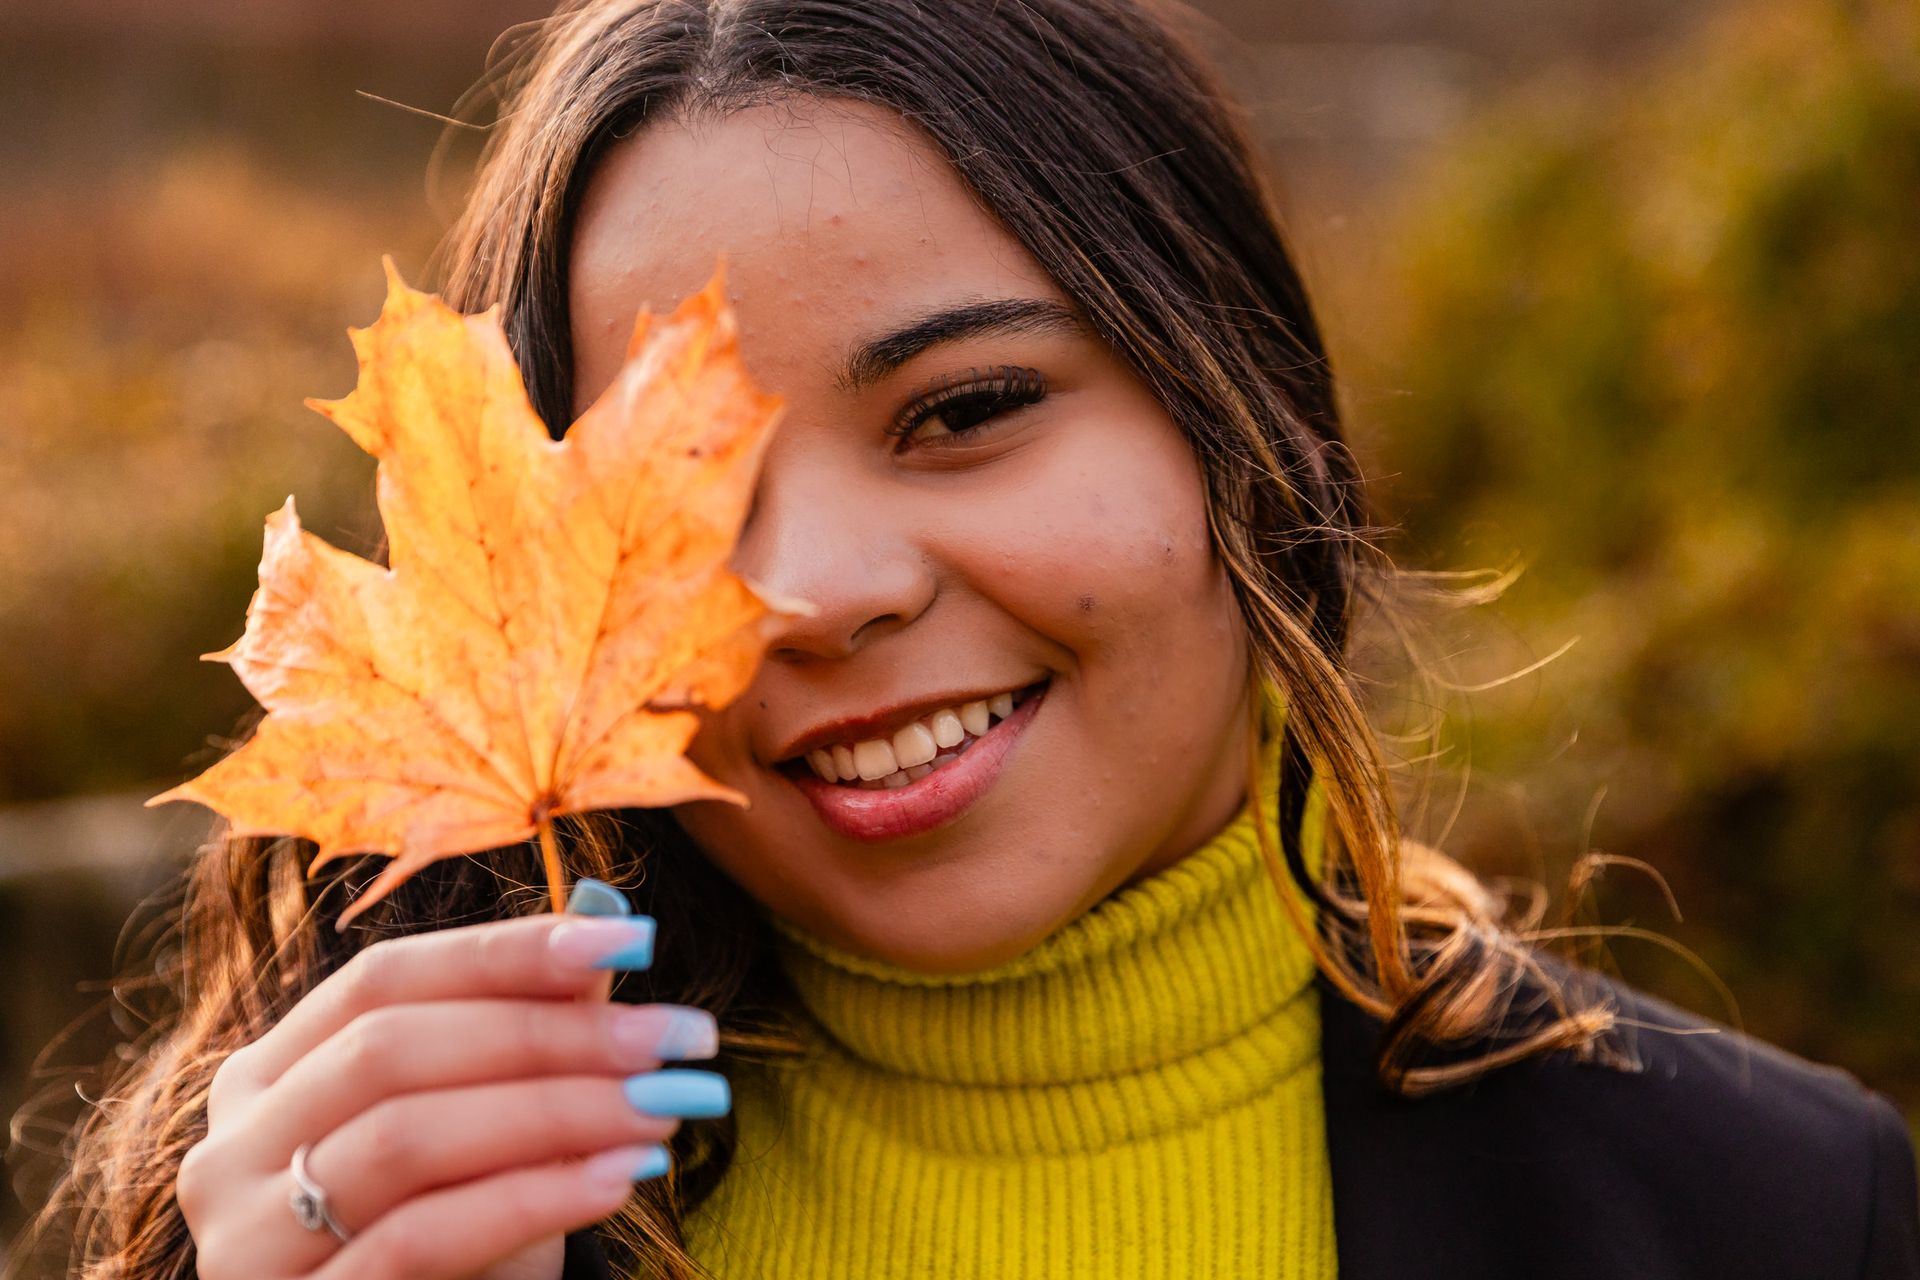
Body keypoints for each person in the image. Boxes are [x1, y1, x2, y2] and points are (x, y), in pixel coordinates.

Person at [24, 1, 1918, 1278]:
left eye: (965, 408)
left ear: (1238, 419)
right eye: (689, 492)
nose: (826, 588)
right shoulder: (398, 1216)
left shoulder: (1774, 1218)